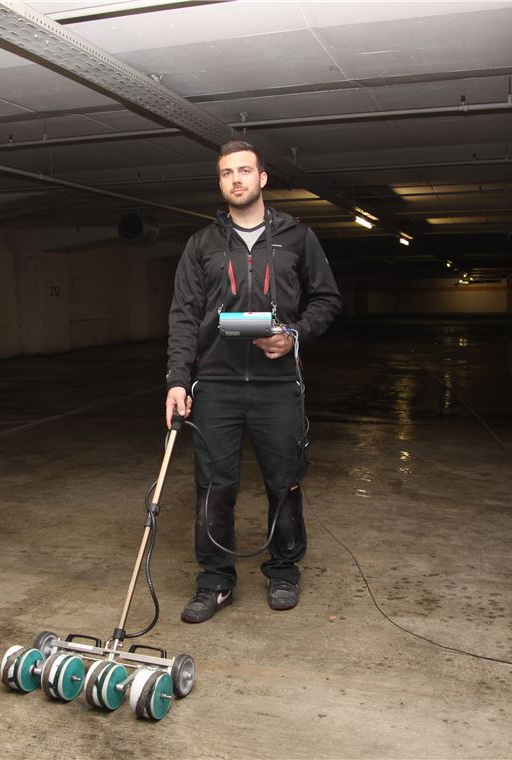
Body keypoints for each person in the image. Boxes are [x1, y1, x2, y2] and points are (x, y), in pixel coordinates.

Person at [164, 139, 342, 623]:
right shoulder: (201, 245)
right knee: (213, 485)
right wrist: (178, 379)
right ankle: (216, 580)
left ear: (263, 178)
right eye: (226, 173)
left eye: (245, 170)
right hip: (217, 385)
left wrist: (295, 335)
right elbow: (183, 316)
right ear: (220, 183)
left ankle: (283, 571)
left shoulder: (297, 237)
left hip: (278, 385)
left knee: (284, 482)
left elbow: (327, 300)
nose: (236, 179)